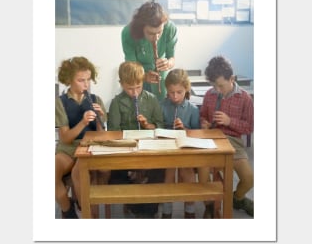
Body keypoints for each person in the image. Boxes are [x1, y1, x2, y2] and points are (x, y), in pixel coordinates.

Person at [107, 61, 165, 218]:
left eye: (138, 87)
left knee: (159, 172)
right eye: (129, 88)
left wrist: (147, 124)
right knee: (116, 178)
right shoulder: (116, 103)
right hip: (126, 151)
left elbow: (160, 126)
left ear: (143, 82)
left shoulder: (151, 99)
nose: (134, 93)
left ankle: (148, 210)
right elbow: (113, 132)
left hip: (149, 149)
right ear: (121, 84)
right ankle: (134, 205)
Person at [199, 55, 254, 217]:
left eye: (221, 86)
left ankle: (237, 198)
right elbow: (202, 115)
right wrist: (204, 123)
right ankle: (209, 205)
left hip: (233, 143)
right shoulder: (210, 94)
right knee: (204, 172)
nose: (217, 90)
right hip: (211, 140)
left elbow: (250, 126)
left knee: (249, 179)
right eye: (213, 85)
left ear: (232, 79)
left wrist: (230, 121)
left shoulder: (245, 98)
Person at [55, 56, 110, 218]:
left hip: (88, 147)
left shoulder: (95, 99)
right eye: (81, 80)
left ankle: (84, 210)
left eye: (88, 80)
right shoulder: (60, 102)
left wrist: (100, 119)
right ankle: (68, 210)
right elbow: (65, 138)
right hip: (67, 148)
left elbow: (101, 136)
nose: (86, 84)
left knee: (78, 173)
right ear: (69, 80)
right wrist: (83, 121)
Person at [159, 69, 199, 219]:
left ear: (186, 90)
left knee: (187, 173)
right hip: (167, 148)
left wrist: (185, 129)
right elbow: (158, 128)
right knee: (169, 173)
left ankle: (189, 209)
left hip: (186, 149)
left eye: (179, 92)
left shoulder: (193, 109)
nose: (175, 96)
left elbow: (196, 133)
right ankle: (167, 210)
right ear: (167, 90)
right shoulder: (161, 105)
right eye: (171, 92)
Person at [121, 0, 178, 100]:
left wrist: (168, 63)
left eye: (159, 32)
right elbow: (131, 67)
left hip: (161, 77)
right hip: (137, 78)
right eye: (150, 33)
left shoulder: (170, 28)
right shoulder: (128, 33)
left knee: (160, 108)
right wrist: (144, 76)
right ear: (141, 28)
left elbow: (172, 58)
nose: (156, 38)